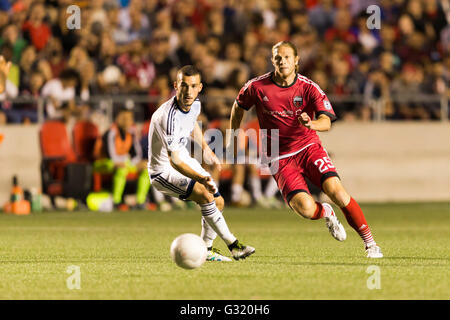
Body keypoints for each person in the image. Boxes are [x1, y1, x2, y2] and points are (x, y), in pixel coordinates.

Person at [229, 41, 382, 258]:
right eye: (278, 58)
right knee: (306, 209)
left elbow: (326, 122)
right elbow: (238, 106)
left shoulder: (309, 87)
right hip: (279, 156)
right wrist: (233, 135)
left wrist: (311, 124)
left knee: (336, 190)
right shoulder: (257, 87)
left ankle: (371, 244)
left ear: (296, 60)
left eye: (287, 57)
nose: (282, 61)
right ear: (272, 60)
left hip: (308, 147)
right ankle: (326, 211)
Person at [147, 65, 255, 262]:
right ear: (175, 86)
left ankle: (207, 249)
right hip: (163, 171)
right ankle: (234, 245)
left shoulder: (194, 104)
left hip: (184, 160)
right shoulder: (167, 117)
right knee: (206, 194)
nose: (188, 91)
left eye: (193, 86)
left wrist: (206, 149)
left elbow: (193, 126)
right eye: (184, 86)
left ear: (200, 88)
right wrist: (200, 177)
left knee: (218, 201)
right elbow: (174, 160)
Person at [94, 108, 150, 211]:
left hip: (123, 162)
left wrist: (137, 163)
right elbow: (110, 155)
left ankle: (140, 201)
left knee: (147, 168)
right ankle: (116, 201)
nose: (127, 121)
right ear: (118, 119)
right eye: (124, 118)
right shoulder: (110, 132)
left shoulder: (131, 133)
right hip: (103, 163)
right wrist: (124, 162)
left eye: (129, 118)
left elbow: (136, 154)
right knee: (122, 169)